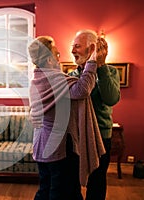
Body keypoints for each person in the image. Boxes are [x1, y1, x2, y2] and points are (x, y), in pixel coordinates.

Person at [28, 36, 106, 200]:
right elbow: (83, 89)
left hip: (42, 144)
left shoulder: (37, 79)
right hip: (57, 146)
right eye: (57, 55)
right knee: (60, 190)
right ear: (49, 60)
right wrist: (92, 60)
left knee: (46, 187)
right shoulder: (53, 78)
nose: (60, 56)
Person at [68, 29, 121, 200]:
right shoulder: (71, 75)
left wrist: (102, 67)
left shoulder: (110, 72)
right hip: (77, 137)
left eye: (77, 46)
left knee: (97, 182)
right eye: (72, 46)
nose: (72, 50)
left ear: (91, 49)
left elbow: (111, 98)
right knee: (72, 181)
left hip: (101, 135)